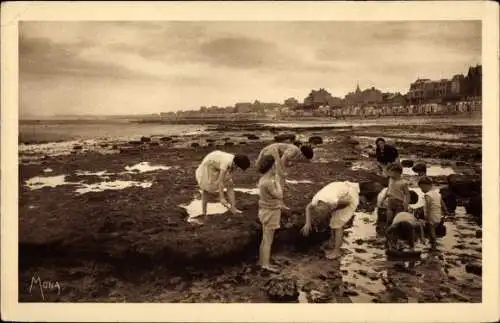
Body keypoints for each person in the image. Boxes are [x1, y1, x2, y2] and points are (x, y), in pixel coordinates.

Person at [300, 181, 362, 260]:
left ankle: (337, 251)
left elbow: (348, 202)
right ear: (318, 205)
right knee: (333, 220)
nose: (321, 214)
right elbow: (308, 207)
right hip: (339, 191)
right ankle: (332, 242)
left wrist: (333, 210)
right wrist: (307, 223)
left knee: (337, 224)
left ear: (327, 206)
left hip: (349, 196)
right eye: (320, 212)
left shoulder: (332, 201)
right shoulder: (316, 201)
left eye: (323, 212)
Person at [194, 150, 250, 224]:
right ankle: (204, 213)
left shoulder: (234, 161)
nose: (238, 170)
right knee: (206, 189)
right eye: (238, 168)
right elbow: (220, 182)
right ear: (235, 164)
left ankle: (233, 208)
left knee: (230, 184)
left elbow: (227, 177)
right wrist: (222, 198)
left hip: (217, 162)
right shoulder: (226, 163)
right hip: (209, 164)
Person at [257, 155, 286, 273]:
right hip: (271, 212)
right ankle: (265, 264)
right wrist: (278, 182)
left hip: (265, 211)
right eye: (275, 165)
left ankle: (262, 261)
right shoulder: (268, 182)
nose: (276, 167)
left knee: (265, 239)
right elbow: (279, 195)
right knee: (268, 240)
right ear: (271, 167)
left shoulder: (263, 179)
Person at [418, 176, 449, 251]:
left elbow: (428, 207)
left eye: (422, 188)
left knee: (431, 231)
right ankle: (434, 242)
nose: (421, 190)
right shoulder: (437, 194)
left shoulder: (427, 195)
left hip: (431, 215)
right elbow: (442, 203)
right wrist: (445, 211)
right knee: (435, 228)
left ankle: (433, 244)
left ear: (426, 186)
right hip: (438, 215)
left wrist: (426, 216)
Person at [380, 164, 410, 231]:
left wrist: (406, 204)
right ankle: (387, 226)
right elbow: (388, 190)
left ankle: (396, 229)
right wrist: (383, 199)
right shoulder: (391, 179)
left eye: (391, 172)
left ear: (397, 173)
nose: (389, 174)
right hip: (391, 200)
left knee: (397, 217)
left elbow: (407, 194)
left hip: (399, 201)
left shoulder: (403, 182)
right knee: (389, 215)